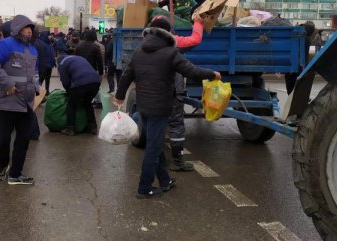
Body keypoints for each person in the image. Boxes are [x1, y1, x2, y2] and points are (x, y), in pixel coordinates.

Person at [114, 20, 220, 199]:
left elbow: (127, 74)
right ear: (169, 33)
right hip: (160, 107)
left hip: (144, 106)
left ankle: (165, 180)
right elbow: (191, 71)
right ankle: (144, 188)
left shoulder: (139, 51)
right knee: (153, 149)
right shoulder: (171, 53)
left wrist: (120, 94)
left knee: (154, 144)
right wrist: (212, 74)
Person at [0, 15, 39, 185]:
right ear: (17, 29)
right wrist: (7, 83)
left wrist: (36, 87)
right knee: (4, 139)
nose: (29, 31)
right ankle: (2, 166)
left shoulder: (32, 49)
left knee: (23, 140)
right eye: (26, 27)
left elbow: (34, 73)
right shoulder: (5, 44)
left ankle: (15, 174)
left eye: (31, 28)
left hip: (26, 103)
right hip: (8, 101)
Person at [149, 15, 206, 171]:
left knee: (154, 123)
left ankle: (153, 160)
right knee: (176, 124)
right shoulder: (174, 41)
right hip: (172, 90)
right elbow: (195, 40)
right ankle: (177, 161)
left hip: (152, 91)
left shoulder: (145, 44)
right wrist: (198, 23)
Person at [57, 55, 101, 136]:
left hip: (80, 83)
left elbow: (65, 81)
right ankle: (92, 127)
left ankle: (70, 128)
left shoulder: (62, 64)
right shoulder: (79, 58)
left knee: (72, 105)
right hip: (96, 81)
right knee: (87, 103)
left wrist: (69, 92)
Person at [33, 30, 56, 97]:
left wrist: (53, 62)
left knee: (47, 80)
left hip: (49, 66)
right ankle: (38, 95)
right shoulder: (40, 43)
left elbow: (51, 54)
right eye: (49, 35)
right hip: (43, 66)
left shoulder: (49, 43)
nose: (50, 36)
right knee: (40, 81)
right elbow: (38, 55)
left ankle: (47, 92)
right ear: (45, 35)